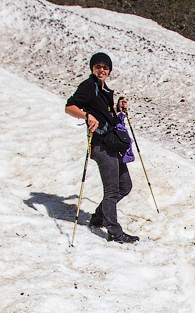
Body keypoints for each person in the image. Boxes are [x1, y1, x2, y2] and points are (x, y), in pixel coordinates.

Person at [65, 52, 139, 244]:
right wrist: (86, 115)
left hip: (112, 144)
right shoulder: (89, 86)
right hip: (100, 145)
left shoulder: (104, 90)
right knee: (112, 190)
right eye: (98, 66)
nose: (101, 70)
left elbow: (107, 115)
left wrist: (118, 108)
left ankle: (99, 217)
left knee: (125, 186)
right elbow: (69, 106)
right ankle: (114, 231)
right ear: (92, 68)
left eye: (105, 67)